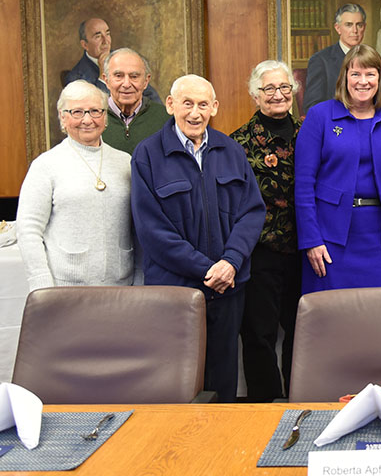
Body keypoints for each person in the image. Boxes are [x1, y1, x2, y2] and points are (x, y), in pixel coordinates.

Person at [131, 75, 265, 403]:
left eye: (203, 104)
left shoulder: (231, 150)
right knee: (176, 382)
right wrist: (208, 270)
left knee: (223, 383)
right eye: (187, 103)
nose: (195, 112)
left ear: (214, 108)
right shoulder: (147, 155)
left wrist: (230, 262)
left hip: (229, 288)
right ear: (171, 105)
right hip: (176, 290)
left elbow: (252, 212)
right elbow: (153, 231)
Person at [295, 44, 381, 292]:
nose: (363, 81)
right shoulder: (320, 116)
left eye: (370, 74)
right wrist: (311, 240)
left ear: (380, 78)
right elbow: (304, 185)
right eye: (355, 74)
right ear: (344, 78)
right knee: (332, 320)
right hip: (329, 240)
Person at [17, 80, 138, 291]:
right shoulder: (46, 165)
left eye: (95, 111)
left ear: (105, 117)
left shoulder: (125, 162)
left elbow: (138, 227)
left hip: (121, 286)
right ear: (63, 118)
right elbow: (28, 230)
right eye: (77, 112)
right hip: (64, 288)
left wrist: (139, 278)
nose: (87, 120)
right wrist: (42, 285)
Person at [230, 60, 301, 402]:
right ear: (254, 95)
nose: (278, 95)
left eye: (284, 87)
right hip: (260, 254)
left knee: (303, 332)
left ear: (294, 91)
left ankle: (303, 399)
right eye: (269, 89)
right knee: (259, 334)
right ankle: (265, 407)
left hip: (308, 253)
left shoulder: (310, 134)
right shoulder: (237, 144)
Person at [302, 3, 381, 112]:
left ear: (364, 27)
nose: (355, 31)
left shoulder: (374, 57)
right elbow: (312, 105)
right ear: (338, 28)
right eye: (349, 25)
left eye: (359, 25)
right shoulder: (321, 60)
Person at [66, 18, 160, 102]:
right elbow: (93, 109)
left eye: (107, 34)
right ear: (84, 45)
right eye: (98, 36)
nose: (105, 41)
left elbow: (150, 95)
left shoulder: (124, 58)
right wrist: (102, 77)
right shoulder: (75, 77)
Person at [101, 48, 170, 154]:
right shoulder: (93, 118)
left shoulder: (166, 119)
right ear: (106, 81)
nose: (127, 84)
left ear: (146, 81)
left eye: (134, 76)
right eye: (119, 76)